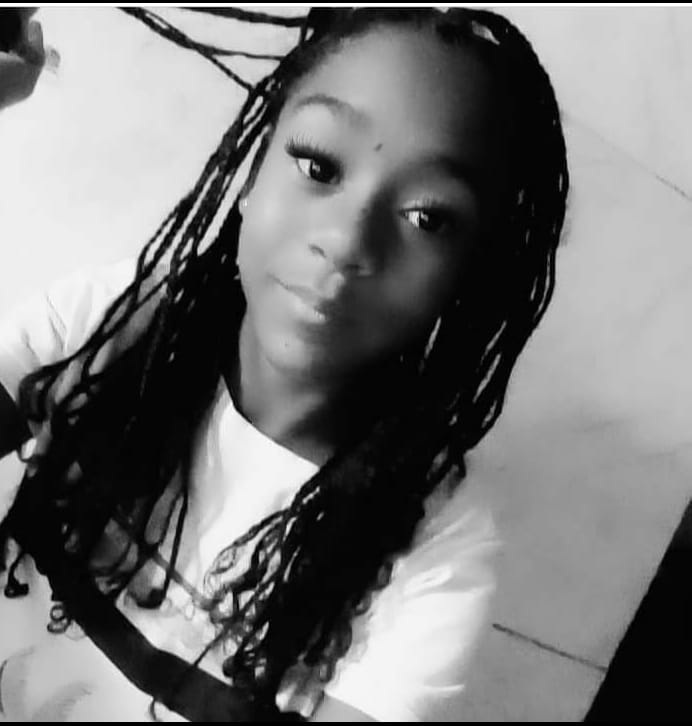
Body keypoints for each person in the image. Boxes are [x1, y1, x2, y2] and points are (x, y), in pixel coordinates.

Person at [0, 6, 568, 722]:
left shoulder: (433, 546)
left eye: (428, 216)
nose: (345, 240)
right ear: (253, 175)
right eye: (318, 166)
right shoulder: (116, 326)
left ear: (469, 277)